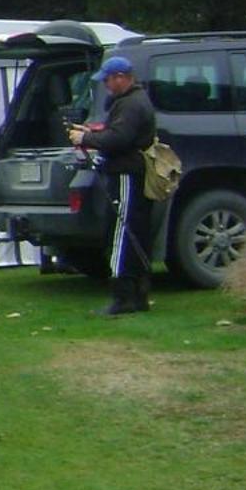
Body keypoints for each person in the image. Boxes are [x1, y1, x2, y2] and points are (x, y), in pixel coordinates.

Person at [69, 54, 158, 316]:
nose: (106, 86)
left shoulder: (130, 104)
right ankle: (139, 294)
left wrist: (86, 138)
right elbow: (117, 133)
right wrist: (94, 132)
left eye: (108, 80)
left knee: (122, 232)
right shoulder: (133, 101)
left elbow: (119, 138)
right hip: (133, 173)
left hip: (127, 175)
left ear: (121, 78)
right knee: (136, 234)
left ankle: (123, 297)